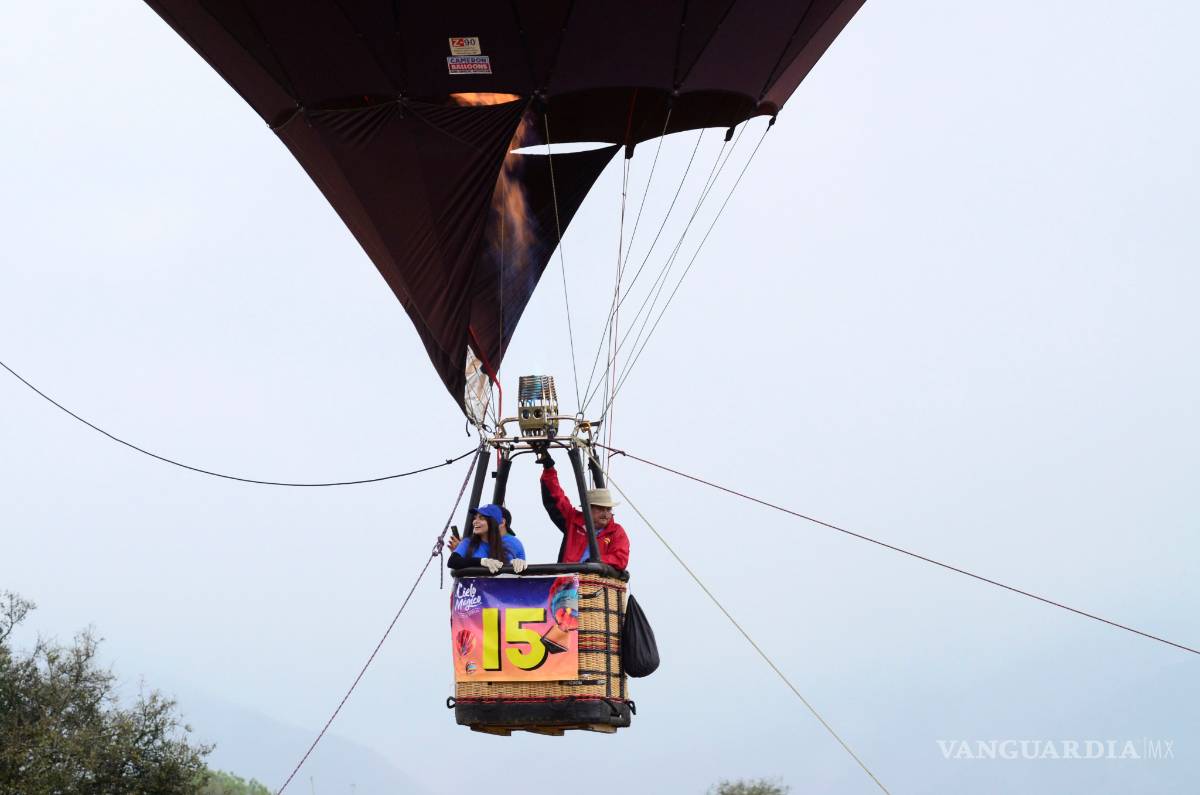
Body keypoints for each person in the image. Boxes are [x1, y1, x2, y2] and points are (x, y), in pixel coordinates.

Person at [535, 447, 629, 570]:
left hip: (593, 580)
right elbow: (556, 497)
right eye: (600, 509)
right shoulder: (573, 521)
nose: (605, 514)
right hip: (568, 579)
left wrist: (596, 561)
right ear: (588, 509)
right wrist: (549, 467)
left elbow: (620, 559)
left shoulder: (616, 532)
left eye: (608, 509)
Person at [447, 504, 528, 573]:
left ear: (494, 523)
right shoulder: (467, 542)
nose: (475, 521)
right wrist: (482, 562)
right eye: (475, 518)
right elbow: (452, 562)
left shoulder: (508, 545)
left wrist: (516, 564)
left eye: (482, 518)